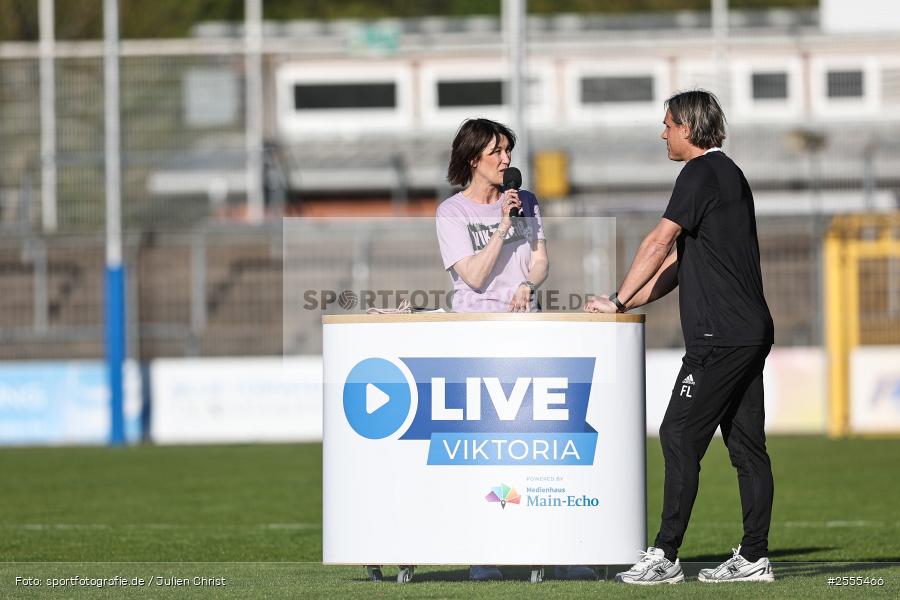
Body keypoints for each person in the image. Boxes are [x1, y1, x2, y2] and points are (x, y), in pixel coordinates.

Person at [585, 90, 775, 585]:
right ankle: (754, 557)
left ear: (688, 127)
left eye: (667, 123)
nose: (662, 131)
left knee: (677, 434)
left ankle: (665, 555)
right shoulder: (728, 173)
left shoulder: (699, 173)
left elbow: (658, 241)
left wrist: (619, 300)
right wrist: (622, 301)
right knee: (746, 447)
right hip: (748, 331)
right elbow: (674, 265)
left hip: (719, 336)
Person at [435, 118, 593, 582]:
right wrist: (503, 227)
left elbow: (541, 259)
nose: (506, 159)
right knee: (487, 449)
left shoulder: (527, 202)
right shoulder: (452, 213)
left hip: (528, 330)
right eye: (496, 151)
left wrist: (527, 282)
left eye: (508, 150)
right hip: (478, 337)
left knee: (543, 445)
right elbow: (476, 278)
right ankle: (485, 552)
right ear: (472, 159)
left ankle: (557, 550)